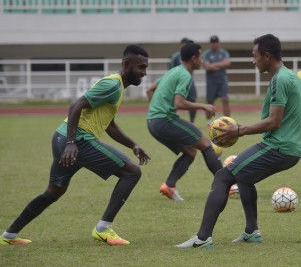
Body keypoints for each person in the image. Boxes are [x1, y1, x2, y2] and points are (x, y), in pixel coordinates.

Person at [1, 45, 151, 246]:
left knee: (53, 192)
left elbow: (110, 125)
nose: (144, 72)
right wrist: (72, 143)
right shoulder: (112, 85)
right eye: (141, 67)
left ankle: (9, 235)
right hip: (76, 140)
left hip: (62, 138)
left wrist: (133, 144)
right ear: (126, 64)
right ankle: (103, 229)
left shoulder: (118, 87)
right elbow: (76, 105)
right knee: (132, 172)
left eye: (145, 67)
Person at [176, 34, 301, 248]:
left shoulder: (280, 80)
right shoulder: (290, 77)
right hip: (290, 148)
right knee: (244, 178)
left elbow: (273, 121)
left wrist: (239, 130)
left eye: (255, 56)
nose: (253, 61)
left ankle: (202, 238)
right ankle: (251, 232)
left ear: (267, 55)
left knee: (222, 176)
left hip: (279, 147)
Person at [146, 42, 223, 201]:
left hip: (152, 122)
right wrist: (203, 106)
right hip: (164, 120)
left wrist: (154, 108)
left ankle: (169, 186)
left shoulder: (173, 71)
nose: (202, 60)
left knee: (190, 151)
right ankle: (226, 184)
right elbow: (179, 103)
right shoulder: (185, 75)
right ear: (194, 58)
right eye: (201, 56)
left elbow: (149, 89)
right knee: (205, 144)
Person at [203, 35, 231, 128]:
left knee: (225, 99)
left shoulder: (224, 53)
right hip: (211, 81)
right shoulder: (207, 54)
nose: (214, 44)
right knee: (210, 102)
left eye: (216, 42)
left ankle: (227, 121)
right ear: (210, 44)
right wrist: (220, 65)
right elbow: (207, 66)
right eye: (213, 43)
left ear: (218, 43)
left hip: (222, 80)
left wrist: (213, 65)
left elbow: (227, 63)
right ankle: (208, 122)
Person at [169, 37, 198, 123]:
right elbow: (171, 70)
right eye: (184, 44)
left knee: (192, 100)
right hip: (177, 83)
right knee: (175, 102)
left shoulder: (192, 55)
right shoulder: (175, 56)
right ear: (181, 45)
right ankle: (171, 119)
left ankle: (192, 121)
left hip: (189, 82)